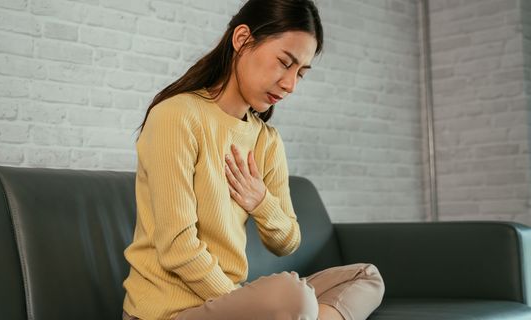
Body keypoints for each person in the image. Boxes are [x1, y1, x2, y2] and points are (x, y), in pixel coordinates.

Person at [121, 0, 385, 319]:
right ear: (242, 39)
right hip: (169, 313)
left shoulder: (266, 140)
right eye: (284, 62)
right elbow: (178, 248)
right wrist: (246, 302)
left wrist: (260, 201)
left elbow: (288, 241)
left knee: (366, 277)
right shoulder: (176, 116)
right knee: (293, 297)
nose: (290, 85)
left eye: (300, 73)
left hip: (229, 304)